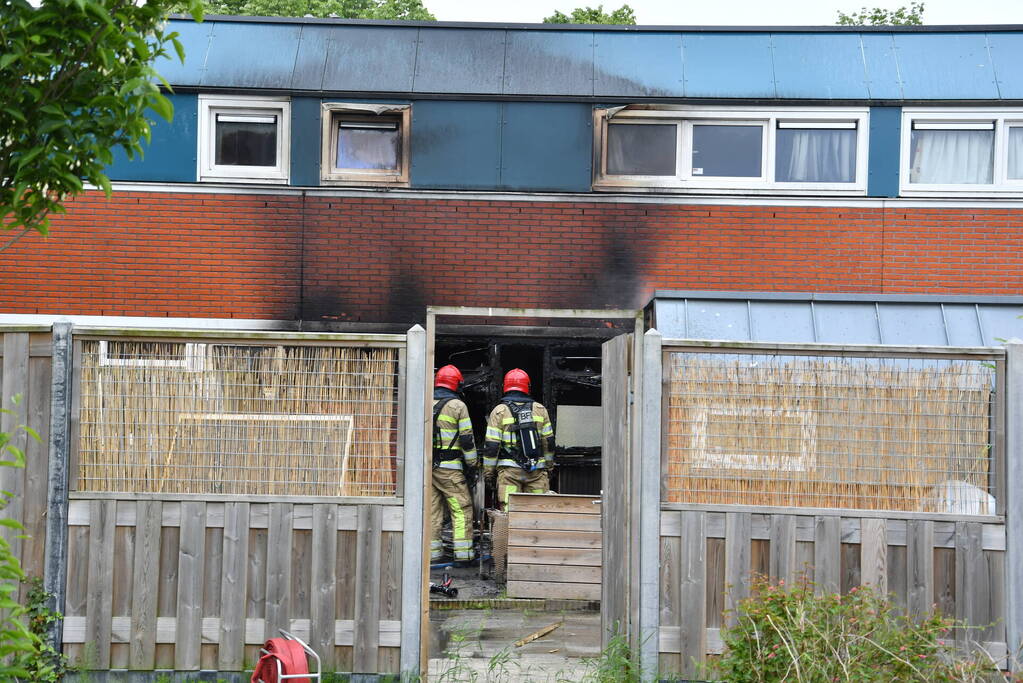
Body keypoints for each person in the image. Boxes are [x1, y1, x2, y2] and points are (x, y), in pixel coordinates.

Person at [483, 368, 555, 511]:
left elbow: (492, 447)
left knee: (509, 513)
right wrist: (549, 466)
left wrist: (489, 474)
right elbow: (549, 443)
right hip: (536, 471)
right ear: (527, 387)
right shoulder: (540, 410)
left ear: (505, 386)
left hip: (509, 472)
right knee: (537, 512)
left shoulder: (499, 411)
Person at [430, 364, 478, 563]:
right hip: (450, 469)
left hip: (427, 468)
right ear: (456, 384)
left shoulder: (424, 401)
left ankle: (433, 554)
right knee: (461, 508)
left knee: (432, 511)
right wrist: (472, 463)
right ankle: (463, 554)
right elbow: (467, 439)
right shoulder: (458, 406)